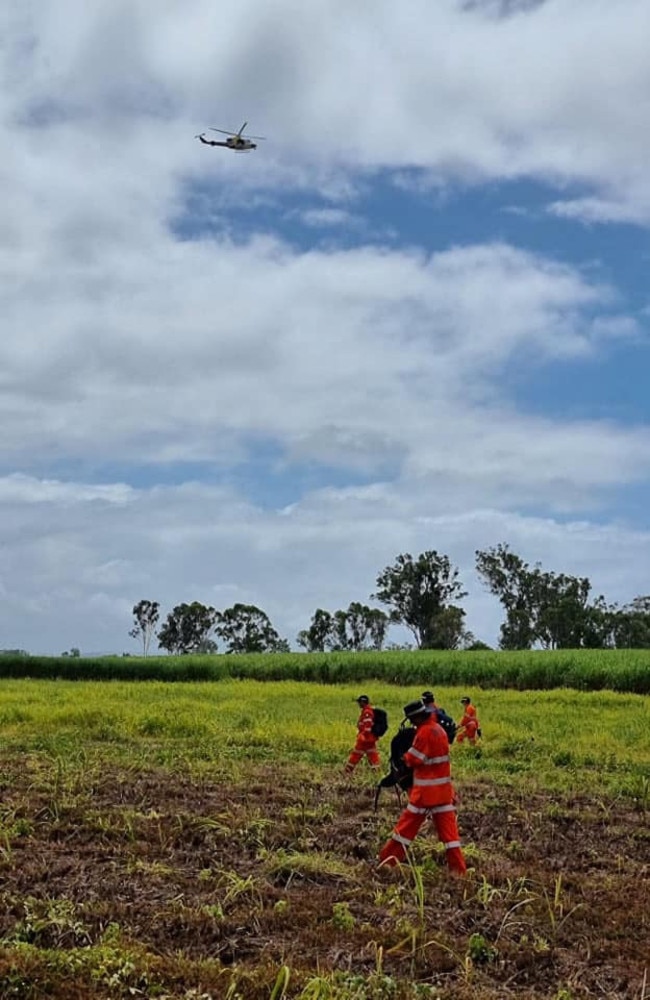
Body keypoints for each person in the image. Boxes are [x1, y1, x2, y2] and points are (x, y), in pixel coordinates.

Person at [378, 699, 466, 874]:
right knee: (450, 836)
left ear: (415, 718)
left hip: (424, 794)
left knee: (404, 829)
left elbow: (414, 759)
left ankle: (387, 862)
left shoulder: (424, 733)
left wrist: (403, 759)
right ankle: (458, 871)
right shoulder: (439, 730)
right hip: (444, 793)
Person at [345, 695, 381, 774]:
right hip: (370, 739)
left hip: (365, 739)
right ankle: (377, 771)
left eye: (359, 702)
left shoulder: (367, 712)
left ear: (363, 702)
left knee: (356, 754)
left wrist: (363, 735)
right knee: (373, 755)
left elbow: (368, 726)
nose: (358, 704)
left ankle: (348, 770)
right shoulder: (367, 710)